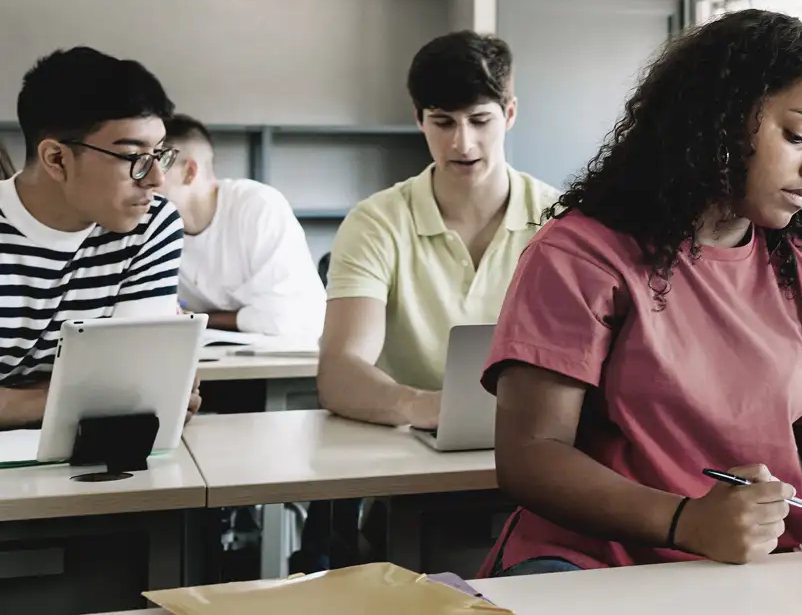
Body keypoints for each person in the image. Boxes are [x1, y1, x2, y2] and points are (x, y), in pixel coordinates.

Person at [479, 9, 802, 577]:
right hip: (591, 568)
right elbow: (531, 456)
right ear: (721, 120)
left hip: (753, 576)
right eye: (797, 135)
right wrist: (686, 521)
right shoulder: (580, 256)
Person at [317, 31, 559, 428]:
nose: (462, 143)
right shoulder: (375, 223)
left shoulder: (560, 219)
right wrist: (423, 407)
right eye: (443, 122)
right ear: (419, 119)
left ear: (510, 114)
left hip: (535, 442)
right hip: (409, 452)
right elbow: (339, 372)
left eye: (480, 120)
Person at [0, 47, 199, 427]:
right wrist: (78, 397)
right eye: (133, 157)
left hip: (86, 458)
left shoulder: (151, 223)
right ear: (56, 159)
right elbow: (123, 394)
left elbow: (137, 387)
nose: (156, 179)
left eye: (159, 154)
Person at [159, 114, 326, 340]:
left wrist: (202, 318)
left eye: (156, 164)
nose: (142, 177)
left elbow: (290, 318)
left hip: (283, 359)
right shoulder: (148, 224)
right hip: (203, 358)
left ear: (190, 172)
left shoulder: (258, 206)